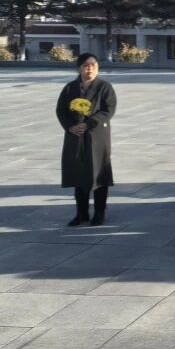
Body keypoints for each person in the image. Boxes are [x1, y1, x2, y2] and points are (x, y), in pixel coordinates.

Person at [56, 53, 116, 226]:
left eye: (93, 65)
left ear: (98, 68)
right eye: (85, 65)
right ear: (79, 68)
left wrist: (89, 123)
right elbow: (61, 110)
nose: (89, 69)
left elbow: (108, 110)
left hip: (96, 135)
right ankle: (81, 213)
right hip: (75, 136)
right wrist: (70, 126)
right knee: (78, 173)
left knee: (99, 174)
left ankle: (99, 212)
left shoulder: (105, 87)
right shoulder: (70, 88)